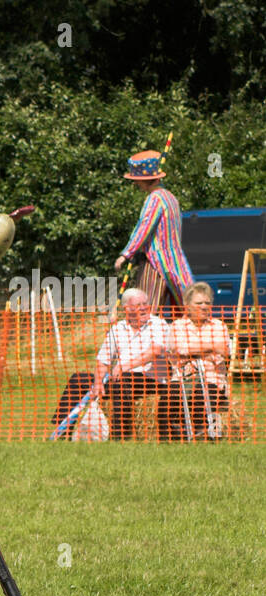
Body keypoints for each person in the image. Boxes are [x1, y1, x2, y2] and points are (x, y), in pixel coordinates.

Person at [51, 287, 175, 440]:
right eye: (138, 305)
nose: (144, 308)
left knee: (123, 380)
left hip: (152, 381)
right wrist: (97, 383)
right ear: (127, 309)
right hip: (121, 379)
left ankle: (119, 436)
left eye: (146, 304)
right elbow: (103, 360)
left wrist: (124, 366)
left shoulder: (159, 324)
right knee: (78, 378)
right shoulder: (117, 329)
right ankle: (62, 431)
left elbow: (156, 350)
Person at [114, 150, 193, 313]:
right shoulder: (171, 198)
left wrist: (126, 254)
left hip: (155, 263)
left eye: (137, 181)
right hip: (176, 264)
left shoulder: (155, 199)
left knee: (146, 313)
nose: (136, 184)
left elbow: (143, 228)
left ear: (146, 180)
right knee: (183, 311)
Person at [171, 281, 232, 434]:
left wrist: (191, 351)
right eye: (199, 303)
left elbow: (223, 350)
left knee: (200, 396)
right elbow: (179, 349)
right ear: (187, 305)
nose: (204, 306)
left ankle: (203, 434)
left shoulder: (219, 326)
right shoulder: (176, 326)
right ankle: (174, 437)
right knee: (168, 400)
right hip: (182, 378)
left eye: (207, 303)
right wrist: (210, 347)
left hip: (212, 379)